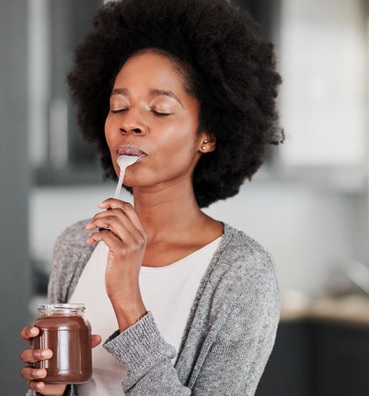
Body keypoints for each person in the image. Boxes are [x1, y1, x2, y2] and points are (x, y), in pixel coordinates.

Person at [19, 0, 283, 394]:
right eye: (118, 107)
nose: (130, 123)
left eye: (159, 110)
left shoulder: (242, 274)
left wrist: (127, 296)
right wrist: (47, 389)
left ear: (207, 135)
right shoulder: (77, 245)